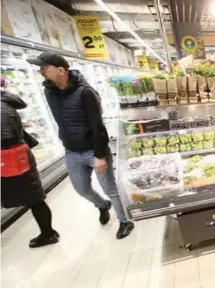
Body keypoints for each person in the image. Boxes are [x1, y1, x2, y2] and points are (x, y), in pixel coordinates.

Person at [27, 52, 134, 239]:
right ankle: (103, 205)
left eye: (44, 67)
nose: (40, 71)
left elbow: (97, 125)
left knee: (110, 187)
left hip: (94, 150)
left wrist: (100, 155)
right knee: (81, 188)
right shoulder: (49, 92)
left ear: (61, 70)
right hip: (72, 151)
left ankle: (125, 221)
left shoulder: (85, 92)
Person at [1, 78, 59, 248]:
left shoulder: (1, 108)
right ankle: (48, 232)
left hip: (14, 160)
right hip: (17, 158)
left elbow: (8, 137)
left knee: (35, 198)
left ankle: (48, 234)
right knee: (34, 198)